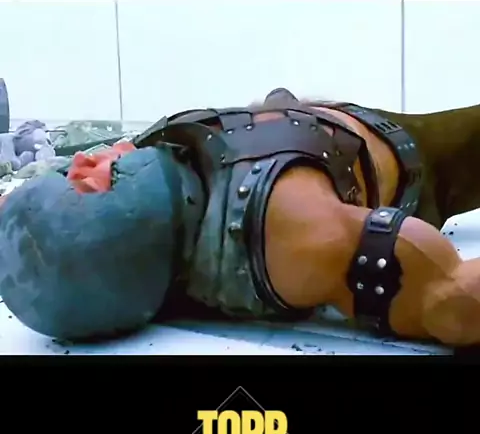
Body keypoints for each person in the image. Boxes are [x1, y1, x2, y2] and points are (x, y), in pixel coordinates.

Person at [2, 88, 480, 347]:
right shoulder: (297, 234)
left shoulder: (129, 261)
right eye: (81, 180)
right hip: (410, 154)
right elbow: (453, 301)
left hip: (310, 129)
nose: (83, 160)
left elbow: (31, 242)